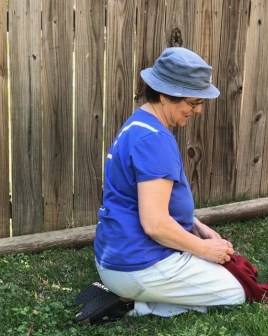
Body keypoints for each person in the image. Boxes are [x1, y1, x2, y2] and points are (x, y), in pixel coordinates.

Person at [90, 47, 246, 318]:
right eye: (192, 103)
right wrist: (205, 249)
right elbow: (155, 224)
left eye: (200, 103)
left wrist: (196, 226)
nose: (197, 111)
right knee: (237, 291)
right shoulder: (155, 142)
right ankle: (132, 305)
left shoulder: (138, 124)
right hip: (138, 266)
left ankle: (133, 295)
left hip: (116, 256)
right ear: (164, 95)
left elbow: (148, 202)